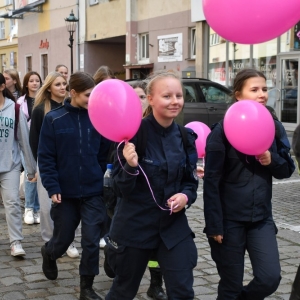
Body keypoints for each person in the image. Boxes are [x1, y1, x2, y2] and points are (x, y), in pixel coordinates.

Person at [105, 70, 199, 300]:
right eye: (167, 96)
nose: (175, 101)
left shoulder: (186, 137)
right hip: (135, 226)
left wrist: (185, 197)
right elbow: (119, 189)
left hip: (172, 228)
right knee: (123, 291)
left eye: (179, 95)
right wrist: (130, 166)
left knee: (183, 292)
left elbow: (190, 182)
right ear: (151, 98)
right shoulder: (132, 134)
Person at [203, 68, 295, 300]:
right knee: (230, 285)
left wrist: (271, 160)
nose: (262, 94)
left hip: (261, 219)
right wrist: (215, 225)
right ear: (238, 95)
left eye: (264, 89)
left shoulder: (274, 127)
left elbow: (287, 170)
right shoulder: (222, 131)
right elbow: (211, 182)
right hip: (229, 222)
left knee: (269, 278)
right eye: (254, 89)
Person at [38, 71, 111, 300]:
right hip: (65, 194)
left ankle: (86, 288)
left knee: (90, 241)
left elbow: (103, 154)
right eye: (89, 95)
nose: (93, 99)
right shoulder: (54, 119)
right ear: (73, 93)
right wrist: (53, 187)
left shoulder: (98, 119)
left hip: (93, 193)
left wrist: (99, 178)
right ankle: (49, 252)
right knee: (63, 239)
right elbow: (46, 157)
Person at [30, 72, 80, 258]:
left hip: (69, 165)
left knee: (71, 205)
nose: (62, 87)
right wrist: (38, 167)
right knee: (46, 207)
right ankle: (50, 241)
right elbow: (34, 141)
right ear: (49, 86)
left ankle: (69, 241)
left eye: (64, 84)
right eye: (57, 84)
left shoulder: (72, 108)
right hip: (48, 165)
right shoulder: (40, 110)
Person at [0, 73, 36, 256]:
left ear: (1, 87)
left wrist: (31, 169)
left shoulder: (14, 108)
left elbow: (24, 140)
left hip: (10, 165)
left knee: (12, 203)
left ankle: (16, 242)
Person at [93, 65, 115, 249]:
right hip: (96, 154)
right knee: (100, 196)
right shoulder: (92, 104)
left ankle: (109, 232)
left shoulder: (117, 102)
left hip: (112, 153)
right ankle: (101, 231)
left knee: (112, 195)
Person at [17, 71, 42, 225]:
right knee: (29, 173)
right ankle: (29, 207)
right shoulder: (20, 102)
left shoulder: (43, 99)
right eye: (31, 81)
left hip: (40, 140)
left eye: (37, 80)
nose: (34, 83)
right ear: (26, 83)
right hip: (26, 142)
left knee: (39, 174)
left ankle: (37, 208)